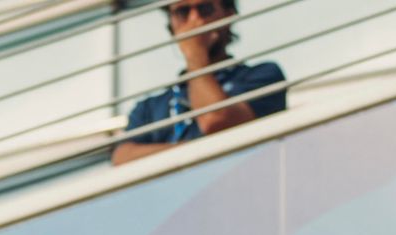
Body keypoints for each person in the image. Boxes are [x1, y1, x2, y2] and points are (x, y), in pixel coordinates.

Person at [113, 0, 287, 166]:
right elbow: (122, 157)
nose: (195, 20)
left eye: (205, 9)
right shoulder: (149, 107)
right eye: (182, 11)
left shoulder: (262, 75)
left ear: (228, 15)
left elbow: (214, 120)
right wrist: (190, 151)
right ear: (171, 24)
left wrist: (195, 55)